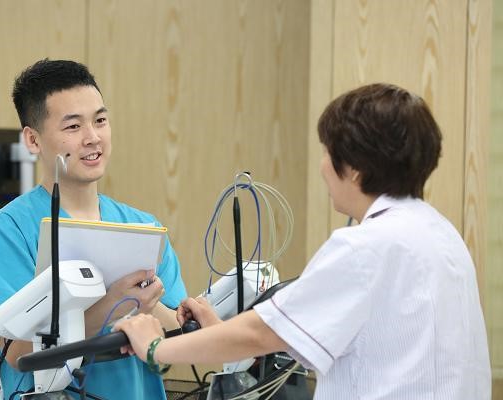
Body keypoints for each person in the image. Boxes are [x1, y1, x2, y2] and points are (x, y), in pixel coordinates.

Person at [116, 83, 492, 399]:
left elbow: (260, 334)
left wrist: (155, 347)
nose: (323, 167)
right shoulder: (441, 235)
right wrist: (216, 329)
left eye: (328, 152)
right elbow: (313, 336)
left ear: (355, 168)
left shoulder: (365, 248)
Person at [0, 59, 187, 400]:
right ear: (33, 140)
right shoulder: (6, 231)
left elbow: (178, 333)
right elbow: (18, 353)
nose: (93, 137)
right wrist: (116, 304)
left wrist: (148, 304)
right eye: (73, 126)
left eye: (100, 120)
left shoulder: (143, 226)